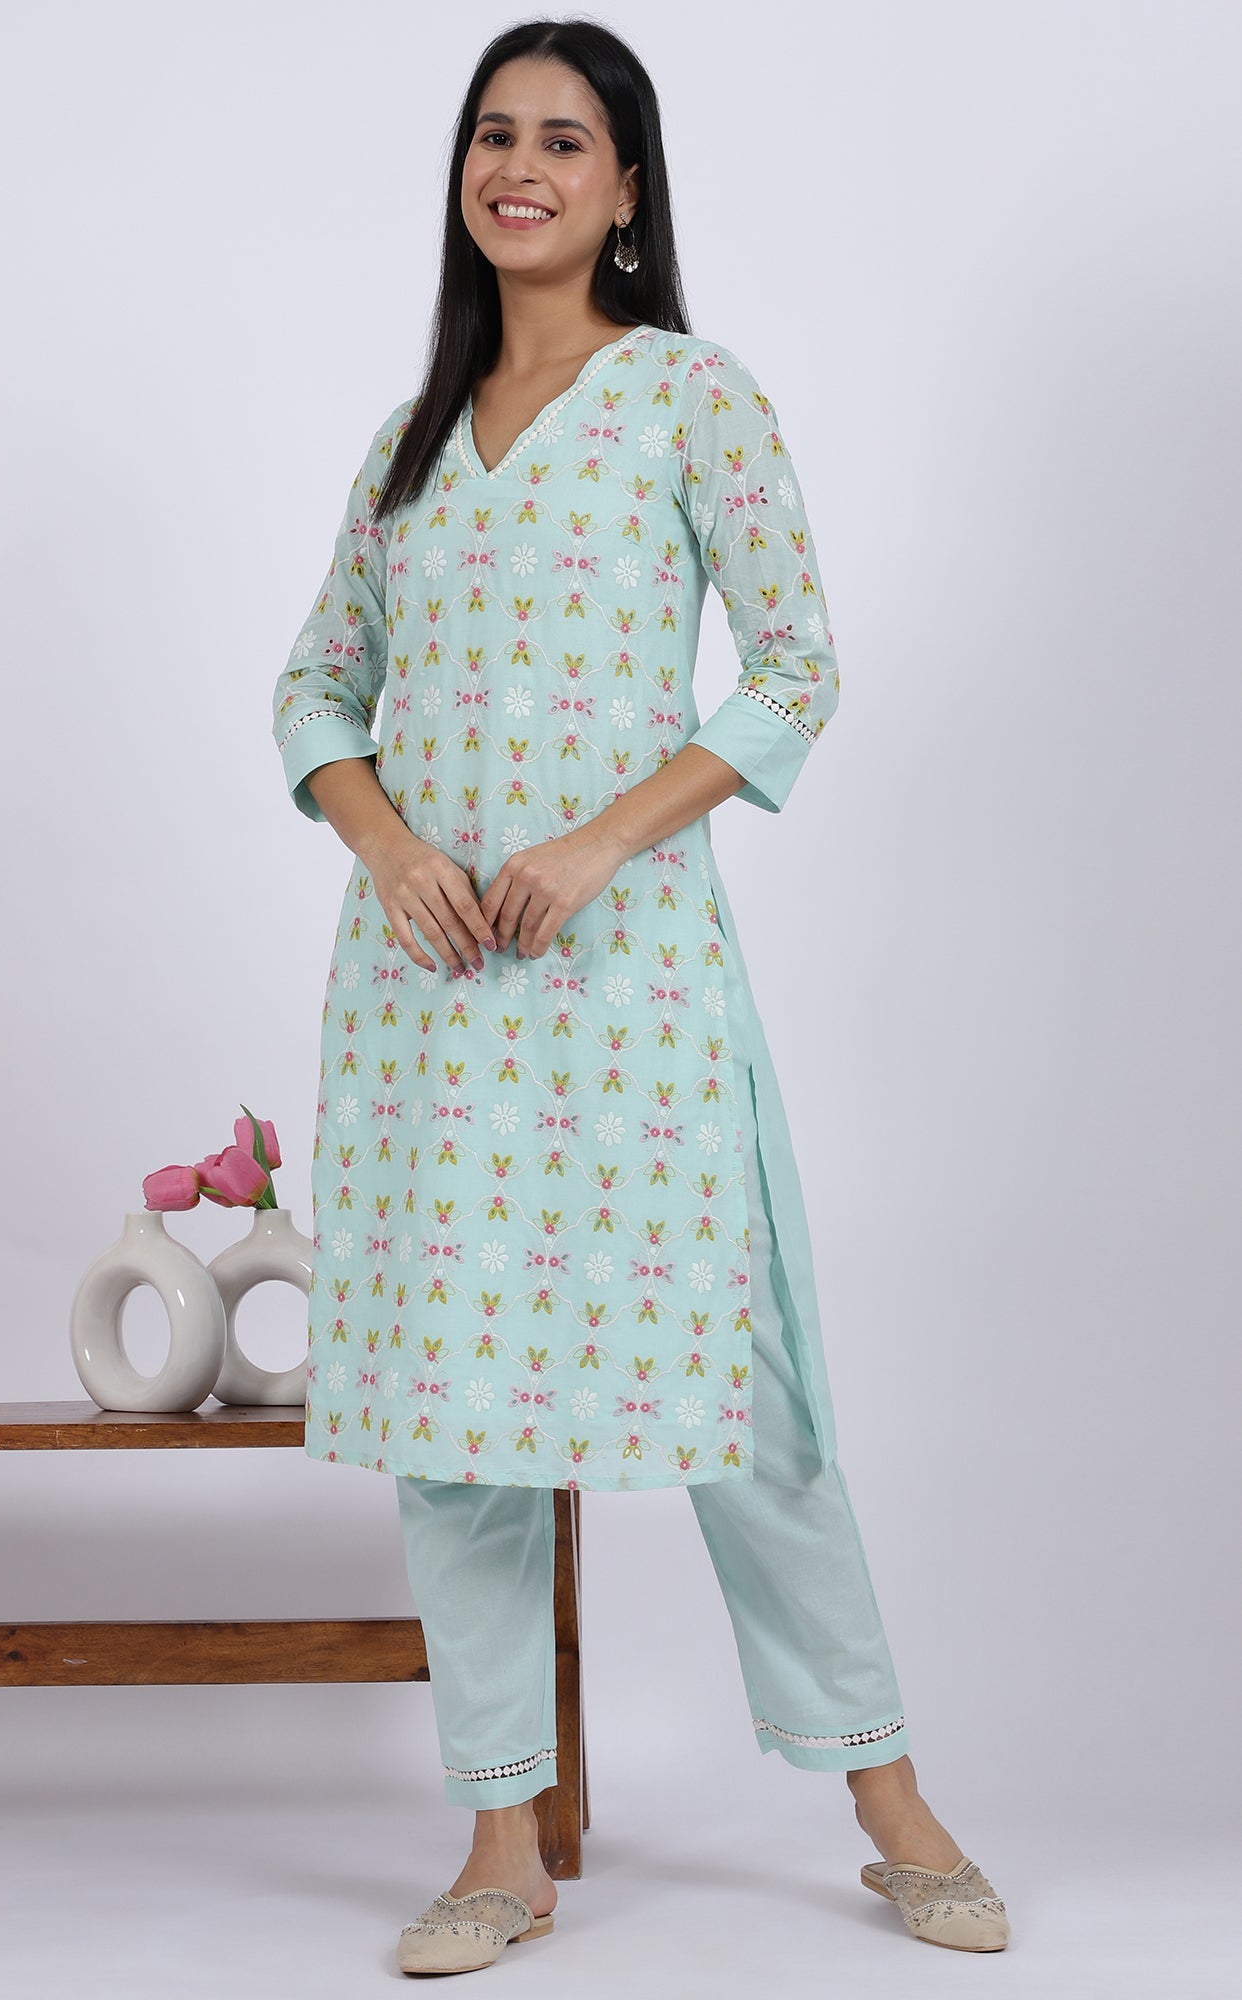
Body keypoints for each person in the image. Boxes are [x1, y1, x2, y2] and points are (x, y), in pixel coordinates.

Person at [270, 17, 1010, 1976]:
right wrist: (384, 843)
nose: (516, 167)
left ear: (621, 190)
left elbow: (795, 667)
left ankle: (890, 1802)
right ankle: (499, 1840)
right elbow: (314, 683)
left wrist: (603, 838)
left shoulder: (690, 398)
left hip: (626, 991)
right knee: (457, 1426)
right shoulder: (410, 438)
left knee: (738, 1393)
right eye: (491, 134)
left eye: (560, 140)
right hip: (431, 998)